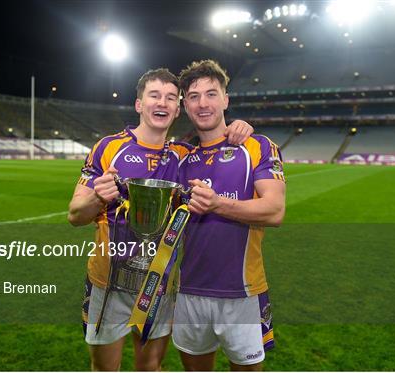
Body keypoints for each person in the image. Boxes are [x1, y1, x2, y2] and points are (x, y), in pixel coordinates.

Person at [67, 67, 254, 371]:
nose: (162, 103)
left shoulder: (184, 155)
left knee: (150, 367)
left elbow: (219, 144)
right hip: (108, 282)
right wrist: (96, 197)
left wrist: (241, 128)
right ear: (139, 104)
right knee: (103, 368)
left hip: (158, 284)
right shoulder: (108, 148)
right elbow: (75, 215)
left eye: (170, 98)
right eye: (154, 96)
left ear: (177, 110)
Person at [173, 60, 286, 371]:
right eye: (193, 96)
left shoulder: (258, 146)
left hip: (243, 293)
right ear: (185, 105)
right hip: (188, 292)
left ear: (226, 99)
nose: (203, 103)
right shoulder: (180, 158)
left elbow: (275, 211)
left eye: (212, 94)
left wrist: (217, 204)